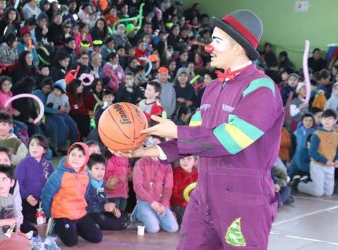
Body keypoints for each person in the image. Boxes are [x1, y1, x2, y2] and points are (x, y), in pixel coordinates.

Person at [112, 10, 284, 249]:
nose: (209, 47)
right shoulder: (212, 88)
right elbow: (192, 140)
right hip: (203, 196)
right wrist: (141, 152)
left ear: (237, 48)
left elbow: (230, 140)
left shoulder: (261, 88)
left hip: (244, 200)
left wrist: (176, 131)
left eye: (216, 41)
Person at [42, 142, 103, 247]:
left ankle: (73, 227)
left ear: (86, 158)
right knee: (71, 242)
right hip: (62, 214)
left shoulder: (87, 175)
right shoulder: (58, 175)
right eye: (73, 154)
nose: (76, 158)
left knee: (97, 238)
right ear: (68, 155)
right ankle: (56, 225)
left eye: (80, 156)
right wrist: (50, 216)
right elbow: (46, 197)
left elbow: (85, 195)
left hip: (79, 213)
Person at [132, 136, 178, 234]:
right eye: (152, 145)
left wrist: (164, 204)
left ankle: (152, 217)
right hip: (145, 201)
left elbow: (168, 187)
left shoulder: (167, 165)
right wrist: (152, 202)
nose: (154, 148)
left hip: (160, 202)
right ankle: (138, 213)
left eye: (157, 146)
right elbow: (138, 186)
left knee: (173, 228)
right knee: (154, 229)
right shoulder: (140, 163)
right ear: (147, 147)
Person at [0, 165, 31, 249]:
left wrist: (17, 229)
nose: (0, 183)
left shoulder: (11, 197)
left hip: (7, 234)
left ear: (12, 183)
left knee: (26, 241)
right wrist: (8, 221)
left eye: (4, 179)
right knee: (23, 246)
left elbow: (15, 216)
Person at [297, 109, 338, 196]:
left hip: (330, 166)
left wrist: (337, 160)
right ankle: (299, 184)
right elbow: (312, 152)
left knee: (328, 192)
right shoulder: (317, 134)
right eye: (324, 118)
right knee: (318, 193)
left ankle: (311, 181)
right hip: (317, 165)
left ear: (335, 120)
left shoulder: (336, 135)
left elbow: (336, 151)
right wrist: (325, 161)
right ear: (321, 120)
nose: (326, 120)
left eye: (330, 118)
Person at [16, 135, 54, 224]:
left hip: (44, 200)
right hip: (27, 200)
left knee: (52, 215)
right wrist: (27, 196)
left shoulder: (48, 164)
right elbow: (17, 183)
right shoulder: (23, 163)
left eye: (38, 145)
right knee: (34, 218)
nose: (34, 148)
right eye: (32, 144)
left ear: (44, 150)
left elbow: (53, 183)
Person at [86, 153, 128, 230]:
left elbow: (102, 202)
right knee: (101, 218)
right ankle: (122, 225)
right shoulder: (86, 184)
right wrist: (103, 208)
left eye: (103, 169)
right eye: (96, 168)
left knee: (123, 214)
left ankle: (118, 224)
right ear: (89, 170)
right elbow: (85, 208)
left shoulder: (101, 183)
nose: (100, 172)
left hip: (101, 211)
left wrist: (113, 209)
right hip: (90, 214)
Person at [170, 155, 199, 225]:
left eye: (189, 159)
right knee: (186, 218)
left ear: (194, 161)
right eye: (182, 159)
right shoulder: (175, 173)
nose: (185, 161)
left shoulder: (198, 174)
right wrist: (184, 202)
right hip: (179, 204)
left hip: (194, 204)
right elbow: (173, 193)